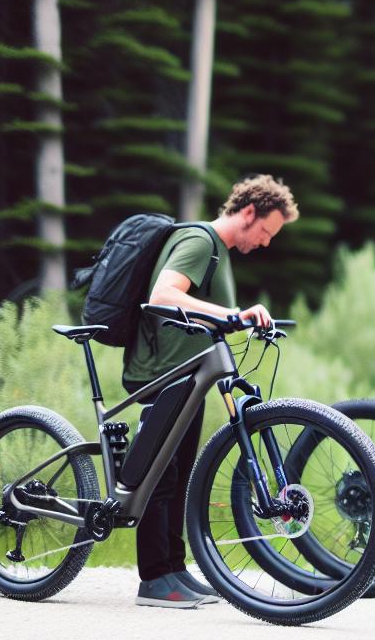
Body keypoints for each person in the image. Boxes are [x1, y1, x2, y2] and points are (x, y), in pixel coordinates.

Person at [121, 174, 297, 608]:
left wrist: (236, 321)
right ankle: (154, 578)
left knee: (178, 474)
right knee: (159, 474)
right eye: (266, 231)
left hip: (189, 374)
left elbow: (202, 313)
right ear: (249, 211)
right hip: (163, 373)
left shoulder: (219, 253)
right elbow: (164, 296)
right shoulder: (200, 242)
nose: (266, 242)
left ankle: (174, 568)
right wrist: (233, 314)